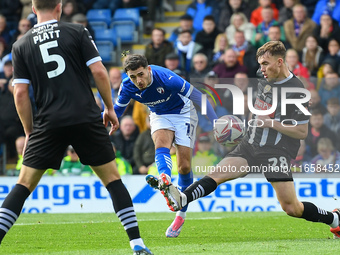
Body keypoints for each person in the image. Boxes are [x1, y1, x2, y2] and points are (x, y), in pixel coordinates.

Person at [3, 1, 152, 254]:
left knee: (23, 185)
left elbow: (20, 94)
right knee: (113, 180)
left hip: (48, 123)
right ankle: (137, 243)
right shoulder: (77, 32)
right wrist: (109, 108)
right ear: (59, 7)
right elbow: (100, 72)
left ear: (33, 8)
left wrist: (29, 132)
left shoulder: (20, 45)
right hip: (85, 116)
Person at [156, 41, 340, 239]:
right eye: (260, 64)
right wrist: (240, 128)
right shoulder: (264, 77)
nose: (261, 69)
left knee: (292, 208)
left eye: (265, 64)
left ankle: (334, 219)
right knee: (218, 173)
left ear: (279, 62)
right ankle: (182, 198)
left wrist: (271, 124)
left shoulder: (296, 91)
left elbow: (302, 132)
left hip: (276, 152)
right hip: (249, 145)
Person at [114, 54, 217, 237]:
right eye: (133, 77)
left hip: (183, 112)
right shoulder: (127, 86)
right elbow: (118, 110)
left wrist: (215, 121)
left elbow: (199, 97)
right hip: (159, 115)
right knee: (161, 143)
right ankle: (165, 179)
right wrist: (99, 122)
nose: (138, 81)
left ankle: (180, 215)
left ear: (148, 69)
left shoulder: (167, 78)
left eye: (140, 74)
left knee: (184, 166)